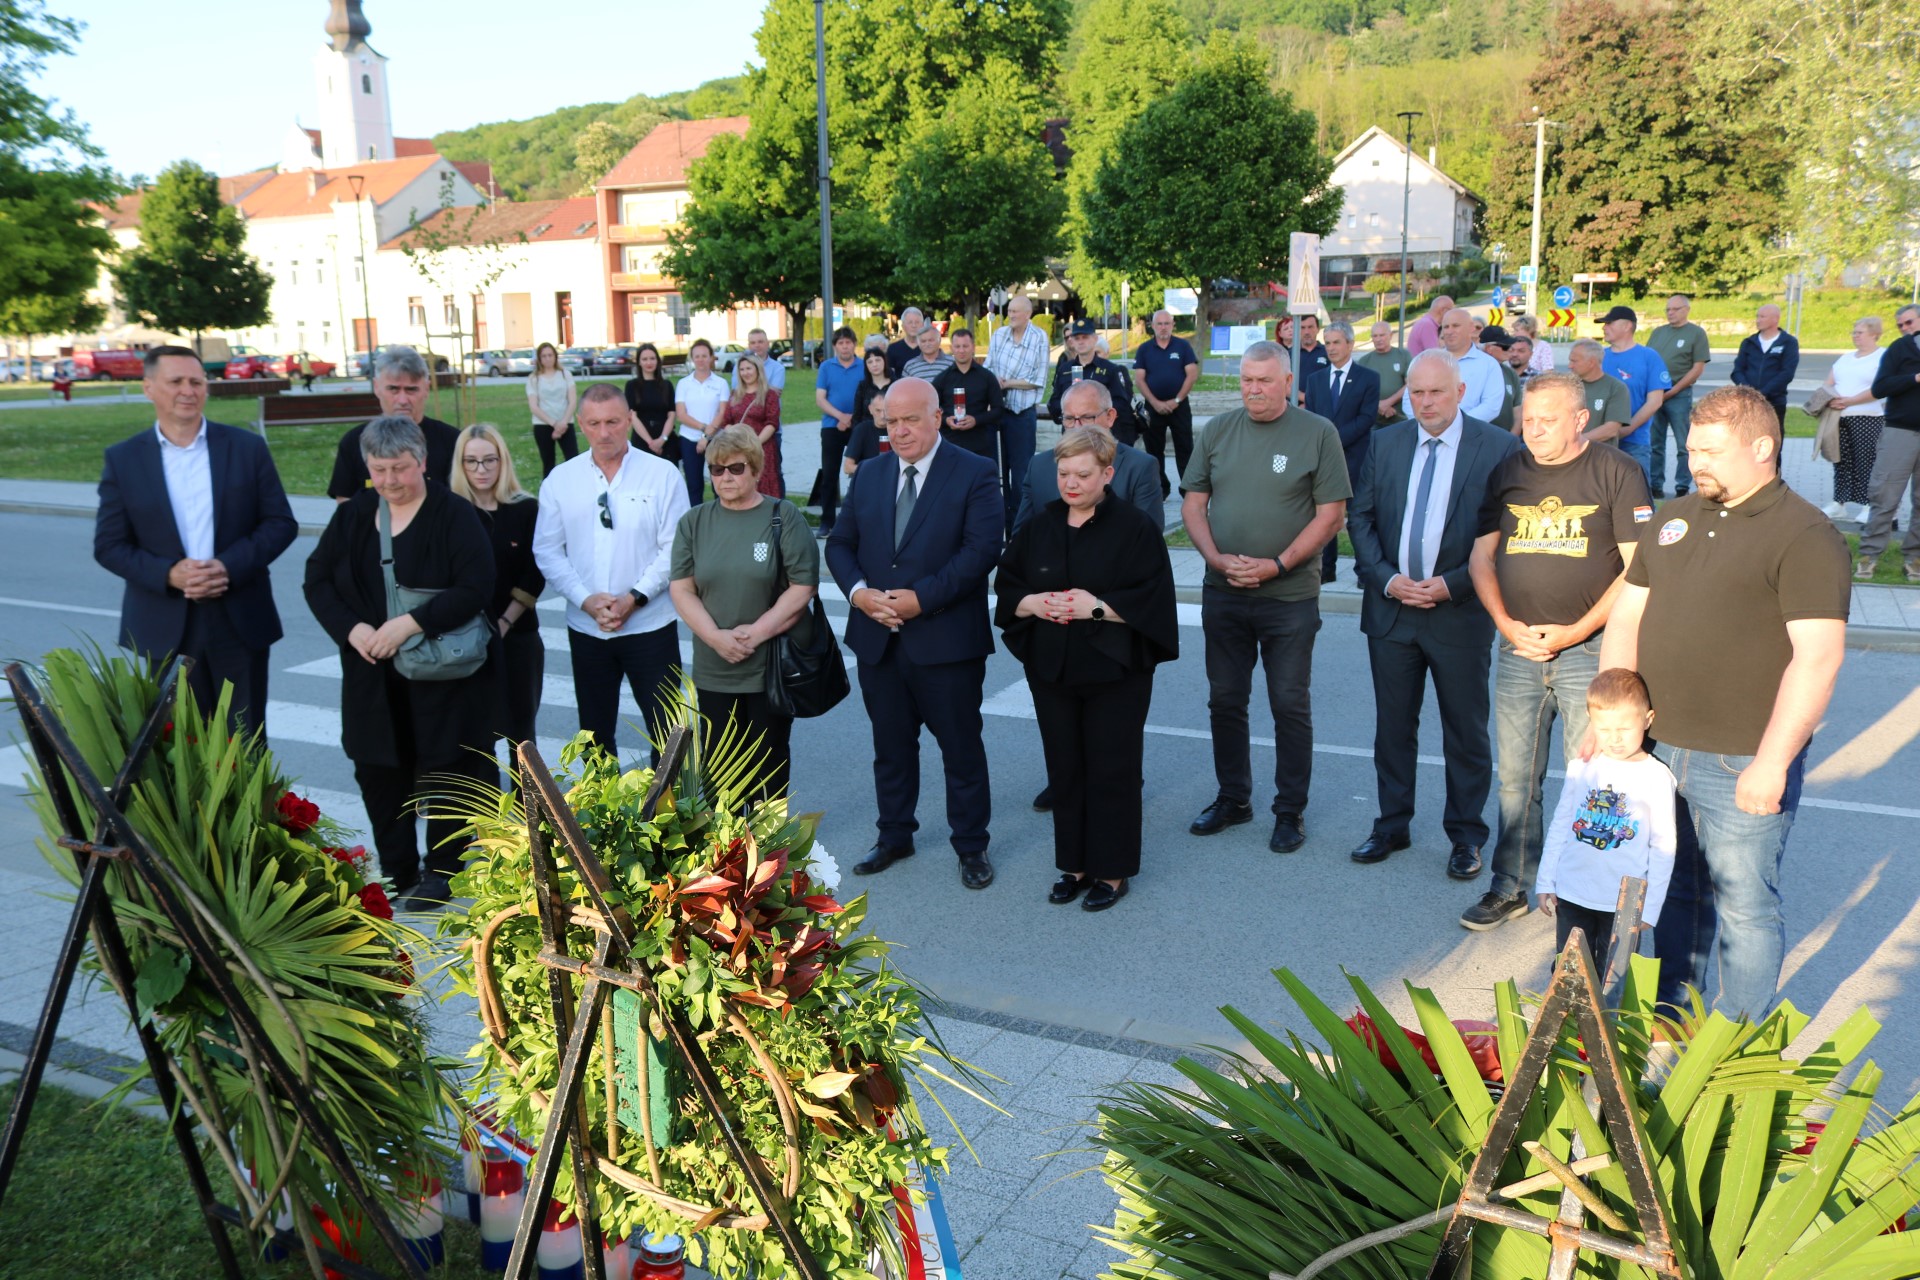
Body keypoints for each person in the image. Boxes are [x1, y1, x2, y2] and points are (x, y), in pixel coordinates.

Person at [1601, 385, 1848, 1018]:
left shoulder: (1806, 535)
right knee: (1675, 896)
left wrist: (1771, 763)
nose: (1694, 463)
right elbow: (1627, 617)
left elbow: (1816, 658)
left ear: (1763, 447)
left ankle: (1737, 1047)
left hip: (1739, 758)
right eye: (1690, 450)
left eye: (1710, 451)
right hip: (1656, 750)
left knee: (1744, 907)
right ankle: (1671, 1026)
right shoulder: (1674, 515)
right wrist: (1610, 718)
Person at [1458, 371, 1652, 932]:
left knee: (1592, 779)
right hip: (1517, 650)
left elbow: (1638, 570)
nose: (1533, 429)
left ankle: (1586, 893)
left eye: (1547, 420)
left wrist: (1574, 632)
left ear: (1581, 419)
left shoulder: (1618, 472)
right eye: (1528, 418)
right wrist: (1506, 624)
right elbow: (1480, 558)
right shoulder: (1508, 471)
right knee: (1517, 778)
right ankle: (1510, 885)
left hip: (1589, 650)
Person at [303, 415, 503, 908]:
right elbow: (317, 579)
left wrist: (409, 624)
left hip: (441, 675)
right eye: (378, 470)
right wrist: (355, 630)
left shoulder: (453, 514)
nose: (390, 480)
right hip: (371, 674)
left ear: (423, 462)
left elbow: (476, 586)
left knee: (446, 769)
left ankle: (443, 870)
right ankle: (395, 867)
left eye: (400, 468)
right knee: (377, 769)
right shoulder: (353, 516)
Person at [1347, 349, 1522, 877]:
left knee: (1464, 731)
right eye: (1416, 392)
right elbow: (1361, 519)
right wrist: (1388, 579)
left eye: (1436, 392)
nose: (1424, 402)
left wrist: (1451, 586)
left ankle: (1466, 836)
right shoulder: (1385, 442)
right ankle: (1391, 825)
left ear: (1461, 392)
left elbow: (1508, 538)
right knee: (1392, 726)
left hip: (1460, 614)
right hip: (1392, 611)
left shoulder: (1497, 448)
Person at [826, 378, 1004, 889]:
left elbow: (981, 550)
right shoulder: (872, 474)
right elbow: (840, 544)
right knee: (891, 747)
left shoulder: (975, 472)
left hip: (946, 641)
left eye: (909, 420)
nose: (899, 431)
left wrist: (922, 598)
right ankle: (894, 835)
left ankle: (971, 845)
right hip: (878, 638)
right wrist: (860, 594)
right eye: (890, 421)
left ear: (937, 417)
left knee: (961, 748)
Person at [994, 426, 1178, 913]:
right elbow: (1008, 585)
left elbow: (1153, 600)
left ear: (1107, 474)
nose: (1071, 484)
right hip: (1052, 670)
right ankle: (1072, 866)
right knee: (1066, 769)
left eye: (1082, 474)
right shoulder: (1040, 525)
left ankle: (1112, 872)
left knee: (1111, 770)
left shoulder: (1134, 527)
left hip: (1116, 671)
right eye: (1063, 474)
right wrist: (1032, 602)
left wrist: (1093, 606)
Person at [1180, 340, 1349, 854]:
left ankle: (1289, 810)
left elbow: (1330, 515)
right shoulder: (1218, 430)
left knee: (1288, 703)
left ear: (1286, 381)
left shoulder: (1317, 433)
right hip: (1224, 591)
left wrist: (1277, 564)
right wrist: (1215, 559)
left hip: (1289, 595)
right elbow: (1193, 503)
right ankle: (1234, 798)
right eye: (1246, 381)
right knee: (1225, 699)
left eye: (1264, 381)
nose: (1253, 390)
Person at [94, 345, 299, 734]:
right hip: (164, 623)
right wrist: (170, 574)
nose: (188, 390)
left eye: (196, 381)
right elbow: (109, 546)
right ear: (149, 388)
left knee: (245, 745)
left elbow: (279, 523)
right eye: (175, 382)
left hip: (238, 616)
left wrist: (227, 566)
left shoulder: (246, 448)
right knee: (177, 751)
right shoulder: (124, 459)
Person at [532, 383, 690, 761]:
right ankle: (604, 817)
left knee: (667, 732)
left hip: (650, 625)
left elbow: (677, 547)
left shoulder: (663, 474)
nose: (605, 433)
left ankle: (669, 816)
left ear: (630, 420)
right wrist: (586, 600)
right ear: (580, 424)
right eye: (594, 423)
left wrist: (634, 598)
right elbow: (547, 550)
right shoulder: (561, 480)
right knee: (595, 734)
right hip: (588, 628)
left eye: (614, 422)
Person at [669, 424, 819, 802]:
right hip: (714, 669)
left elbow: (803, 587)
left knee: (769, 769)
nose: (725, 478)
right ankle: (729, 856)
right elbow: (682, 588)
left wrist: (755, 634)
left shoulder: (782, 516)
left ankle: (771, 854)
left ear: (755, 468)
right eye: (716, 470)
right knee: (720, 778)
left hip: (769, 669)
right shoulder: (694, 522)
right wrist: (716, 638)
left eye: (735, 468)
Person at [1534, 668, 1677, 971]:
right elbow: (1561, 824)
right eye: (1604, 729)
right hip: (1573, 892)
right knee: (1569, 970)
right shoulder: (1582, 767)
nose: (1614, 739)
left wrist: (1649, 908)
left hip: (1623, 903)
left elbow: (1664, 846)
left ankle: (1607, 1020)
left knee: (1612, 975)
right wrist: (1546, 879)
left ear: (1647, 719)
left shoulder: (1656, 777)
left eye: (1624, 729)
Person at [450, 422, 545, 769]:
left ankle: (528, 816)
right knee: (477, 734)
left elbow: (535, 572)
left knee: (521, 733)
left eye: (489, 460)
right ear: (460, 465)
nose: (481, 469)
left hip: (517, 636)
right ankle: (488, 820)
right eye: (471, 461)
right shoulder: (450, 511)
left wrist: (505, 621)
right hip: (465, 639)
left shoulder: (526, 508)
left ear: (502, 461)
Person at [1017, 381, 1163, 530]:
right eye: (1069, 419)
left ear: (1110, 417)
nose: (1077, 427)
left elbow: (1149, 540)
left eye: (1087, 418)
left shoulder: (1139, 467)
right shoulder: (1039, 466)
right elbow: (1020, 540)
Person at [1304, 321, 1383, 584]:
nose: (1331, 348)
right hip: (1324, 461)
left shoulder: (1368, 378)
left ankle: (1363, 571)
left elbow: (1367, 418)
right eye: (1327, 343)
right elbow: (1313, 418)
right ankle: (1326, 570)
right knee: (1325, 517)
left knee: (1358, 518)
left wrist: (1334, 438)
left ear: (1350, 344)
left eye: (1337, 342)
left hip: (1356, 460)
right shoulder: (1315, 380)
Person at [328, 346, 460, 500]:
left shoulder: (453, 442)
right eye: (393, 389)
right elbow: (345, 505)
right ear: (377, 387)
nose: (403, 400)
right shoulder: (353, 442)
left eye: (411, 390)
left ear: (426, 389)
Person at [1860, 304, 1920, 581]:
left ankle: (1914, 557)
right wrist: (1914, 378)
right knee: (1885, 496)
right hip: (1900, 431)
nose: (1905, 328)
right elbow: (1880, 388)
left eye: (1908, 322)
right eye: (1900, 325)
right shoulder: (1899, 349)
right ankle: (1869, 555)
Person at [986, 294, 1052, 531]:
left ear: (1028, 314)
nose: (1011, 315)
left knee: (1021, 472)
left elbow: (1037, 380)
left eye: (1016, 311)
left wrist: (1007, 383)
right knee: (997, 470)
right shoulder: (999, 335)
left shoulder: (1039, 338)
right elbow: (988, 368)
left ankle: (1020, 526)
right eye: (1009, 311)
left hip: (1022, 414)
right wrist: (995, 382)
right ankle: (1000, 522)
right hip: (998, 411)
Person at [1595, 307, 1670, 484]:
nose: (1604, 328)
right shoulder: (1598, 357)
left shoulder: (1648, 357)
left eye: (1609, 323)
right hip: (1600, 441)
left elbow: (1655, 401)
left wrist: (1628, 428)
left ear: (1627, 326)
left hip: (1635, 442)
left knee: (1638, 497)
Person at [1645, 295, 1711, 498]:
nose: (1670, 313)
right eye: (1668, 309)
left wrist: (1674, 390)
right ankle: (1655, 484)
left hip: (1679, 395)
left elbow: (1697, 367)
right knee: (1655, 442)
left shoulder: (1696, 333)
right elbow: (1648, 360)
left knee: (1684, 443)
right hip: (1655, 394)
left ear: (1686, 309)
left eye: (1675, 309)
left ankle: (1682, 485)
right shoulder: (1658, 333)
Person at [1822, 316, 1886, 523]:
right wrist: (1832, 399)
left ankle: (1868, 504)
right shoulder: (1846, 358)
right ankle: (1838, 503)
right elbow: (1829, 382)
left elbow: (1879, 388)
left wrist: (1850, 401)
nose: (1855, 336)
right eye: (1854, 332)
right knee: (1840, 460)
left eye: (1860, 332)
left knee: (1866, 461)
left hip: (1868, 417)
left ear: (1874, 334)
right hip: (1840, 416)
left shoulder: (1882, 356)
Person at [1132, 309, 1200, 500]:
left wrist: (1176, 400)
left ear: (1172, 325)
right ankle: (1160, 488)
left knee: (1185, 448)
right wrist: (1155, 402)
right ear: (1152, 326)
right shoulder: (1144, 349)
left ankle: (1188, 489)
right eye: (1159, 324)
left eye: (1167, 324)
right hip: (1153, 407)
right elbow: (1139, 379)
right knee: (1154, 451)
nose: (1163, 328)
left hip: (1180, 406)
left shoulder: (1183, 346)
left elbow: (1191, 374)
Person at [1401, 307, 1503, 424]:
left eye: (1455, 326)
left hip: (1470, 435)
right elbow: (1408, 399)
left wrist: (1454, 425)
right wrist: (1430, 425)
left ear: (1471, 328)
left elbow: (1491, 407)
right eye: (1446, 327)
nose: (1449, 331)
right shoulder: (1426, 362)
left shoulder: (1488, 365)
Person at [1046, 318, 1136, 445]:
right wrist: (1069, 413)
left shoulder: (1110, 369)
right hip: (1072, 437)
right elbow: (1055, 401)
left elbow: (1121, 403)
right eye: (1077, 338)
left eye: (1085, 337)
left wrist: (1092, 412)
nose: (1081, 342)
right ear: (1071, 341)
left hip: (1100, 437)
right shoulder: (1064, 369)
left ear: (1094, 339)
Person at [813, 327, 865, 536]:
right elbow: (820, 398)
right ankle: (827, 522)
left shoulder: (863, 366)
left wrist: (852, 418)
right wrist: (840, 417)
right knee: (829, 474)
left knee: (860, 472)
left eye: (848, 342)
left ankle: (857, 519)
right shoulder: (826, 367)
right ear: (835, 346)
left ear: (854, 344)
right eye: (841, 343)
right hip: (831, 426)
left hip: (858, 426)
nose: (845, 346)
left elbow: (868, 394)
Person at [932, 327, 1004, 475]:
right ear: (951, 348)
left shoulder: (986, 377)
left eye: (965, 346)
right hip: (950, 444)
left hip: (980, 444)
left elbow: (999, 410)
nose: (961, 350)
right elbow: (930, 410)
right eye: (957, 346)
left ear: (973, 347)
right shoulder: (942, 379)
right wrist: (946, 420)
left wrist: (976, 420)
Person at [673, 339, 729, 508]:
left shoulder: (721, 383)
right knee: (693, 484)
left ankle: (722, 516)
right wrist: (704, 429)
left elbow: (722, 412)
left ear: (711, 357)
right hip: (689, 439)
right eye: (697, 356)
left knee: (718, 483)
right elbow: (681, 415)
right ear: (692, 358)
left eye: (704, 356)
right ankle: (695, 520)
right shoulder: (684, 384)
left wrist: (706, 436)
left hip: (716, 440)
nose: (700, 359)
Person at [1729, 304, 1801, 433]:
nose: (1758, 320)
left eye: (1762, 317)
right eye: (1757, 316)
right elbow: (1737, 371)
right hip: (1748, 402)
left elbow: (1787, 373)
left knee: (1772, 441)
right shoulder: (1748, 343)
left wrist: (1763, 393)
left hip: (1774, 402)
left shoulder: (1788, 342)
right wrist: (1749, 392)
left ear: (1775, 319)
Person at [722, 353, 783, 499]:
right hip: (738, 449)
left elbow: (772, 422)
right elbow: (727, 421)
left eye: (749, 368)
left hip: (762, 448)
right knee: (741, 484)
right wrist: (736, 440)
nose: (745, 373)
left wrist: (754, 443)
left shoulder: (769, 395)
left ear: (758, 369)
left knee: (763, 486)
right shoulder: (735, 394)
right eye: (742, 369)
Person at [526, 341, 580, 477]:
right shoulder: (534, 378)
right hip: (543, 424)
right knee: (548, 463)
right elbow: (534, 406)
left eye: (550, 355)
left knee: (573, 460)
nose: (548, 359)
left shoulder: (565, 374)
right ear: (539, 359)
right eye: (544, 356)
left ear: (555, 356)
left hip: (566, 422)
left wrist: (563, 423)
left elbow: (572, 401)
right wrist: (554, 424)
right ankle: (548, 494)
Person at [1568, 339, 1634, 447]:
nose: (1570, 365)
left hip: (1600, 458)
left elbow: (1611, 430)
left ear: (1591, 363)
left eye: (1574, 361)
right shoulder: (1567, 386)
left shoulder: (1616, 388)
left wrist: (1574, 442)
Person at [625, 342, 678, 460]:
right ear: (639, 362)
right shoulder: (632, 386)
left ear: (657, 361)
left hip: (666, 442)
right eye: (644, 359)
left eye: (652, 358)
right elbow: (632, 416)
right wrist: (651, 442)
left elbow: (671, 415)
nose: (649, 362)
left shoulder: (667, 385)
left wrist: (662, 439)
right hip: (641, 441)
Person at [1358, 320, 1412, 426]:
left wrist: (1388, 402)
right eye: (1375, 336)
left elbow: (1410, 384)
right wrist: (1378, 406)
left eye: (1382, 335)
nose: (1378, 339)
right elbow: (1359, 390)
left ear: (1390, 335)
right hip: (1372, 421)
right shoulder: (1364, 361)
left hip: (1400, 418)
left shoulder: (1403, 356)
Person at [1478, 325, 1522, 433]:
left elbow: (1518, 414)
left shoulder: (1510, 373)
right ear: (1489, 348)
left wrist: (1511, 441)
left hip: (1507, 441)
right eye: (1505, 347)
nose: (1510, 349)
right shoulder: (1475, 372)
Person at [852, 346, 894, 439]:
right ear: (866, 366)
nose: (874, 364)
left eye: (878, 360)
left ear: (884, 361)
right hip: (868, 435)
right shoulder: (862, 386)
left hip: (893, 433)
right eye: (870, 362)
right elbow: (857, 416)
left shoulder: (896, 385)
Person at [733, 327, 787, 395]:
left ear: (767, 344)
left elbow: (774, 394)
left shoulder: (778, 368)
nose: (757, 345)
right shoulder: (739, 367)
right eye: (753, 343)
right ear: (749, 346)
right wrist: (767, 387)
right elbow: (736, 390)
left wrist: (748, 386)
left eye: (760, 342)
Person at [886, 308, 927, 379]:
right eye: (910, 322)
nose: (914, 325)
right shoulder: (892, 349)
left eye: (917, 322)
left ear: (923, 325)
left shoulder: (929, 348)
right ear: (903, 326)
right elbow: (888, 377)